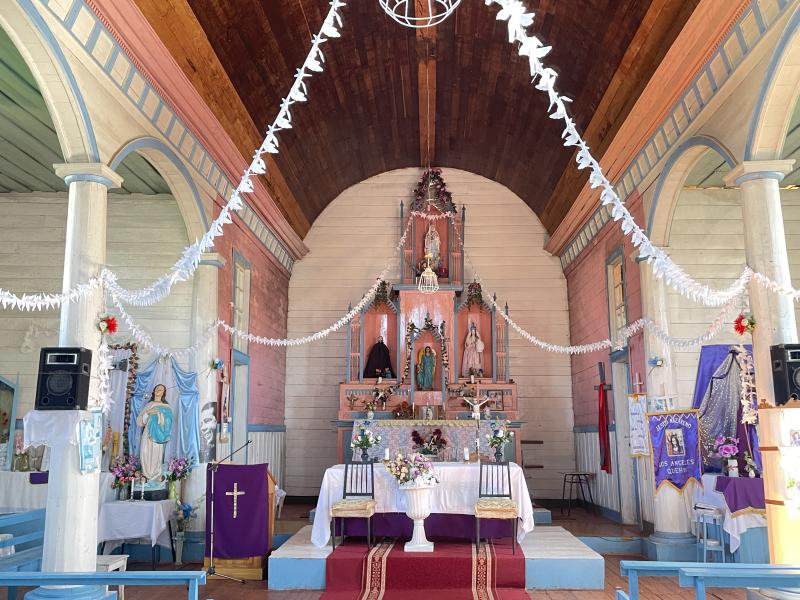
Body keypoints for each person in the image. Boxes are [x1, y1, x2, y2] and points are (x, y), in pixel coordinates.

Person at [137, 384, 173, 481]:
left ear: (164, 393)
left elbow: (169, 422)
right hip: (148, 432)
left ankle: (156, 474)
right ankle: (145, 474)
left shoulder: (166, 406)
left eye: (161, 389)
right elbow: (140, 421)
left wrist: (160, 414)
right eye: (157, 388)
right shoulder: (149, 405)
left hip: (158, 435)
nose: (158, 390)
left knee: (156, 454)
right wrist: (148, 412)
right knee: (145, 452)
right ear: (153, 391)